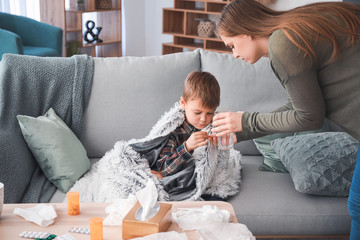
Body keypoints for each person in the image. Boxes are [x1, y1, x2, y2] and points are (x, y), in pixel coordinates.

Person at [211, 0, 360, 238]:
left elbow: (310, 117)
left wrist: (247, 121)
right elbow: (300, 105)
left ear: (247, 31)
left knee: (357, 207)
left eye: (231, 45)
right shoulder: (294, 29)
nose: (234, 54)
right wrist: (241, 131)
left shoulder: (283, 44)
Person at [150, 71, 220, 179]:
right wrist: (187, 147)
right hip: (180, 177)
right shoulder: (174, 131)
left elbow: (221, 162)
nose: (203, 119)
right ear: (183, 103)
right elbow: (162, 169)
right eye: (197, 113)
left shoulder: (213, 126)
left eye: (210, 113)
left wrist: (216, 148)